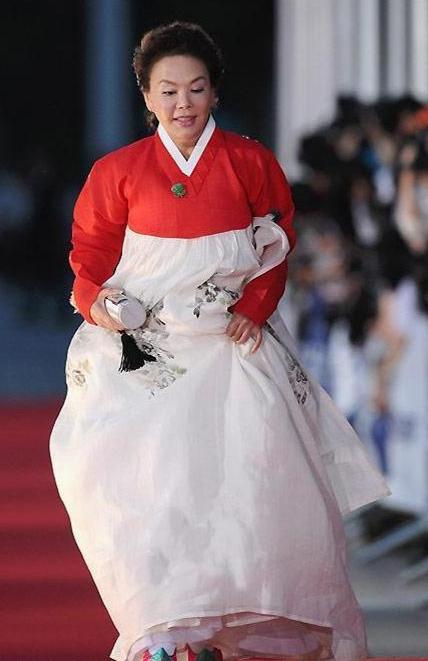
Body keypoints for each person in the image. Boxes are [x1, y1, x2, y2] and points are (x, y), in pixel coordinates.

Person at [49, 21, 390, 661]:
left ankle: (240, 623)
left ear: (214, 92)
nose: (183, 103)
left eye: (196, 88)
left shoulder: (250, 161)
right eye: (169, 90)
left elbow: (277, 241)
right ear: (146, 97)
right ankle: (166, 628)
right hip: (150, 348)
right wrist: (102, 306)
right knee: (153, 487)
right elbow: (89, 254)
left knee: (254, 481)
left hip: (232, 344)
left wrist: (255, 307)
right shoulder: (116, 171)